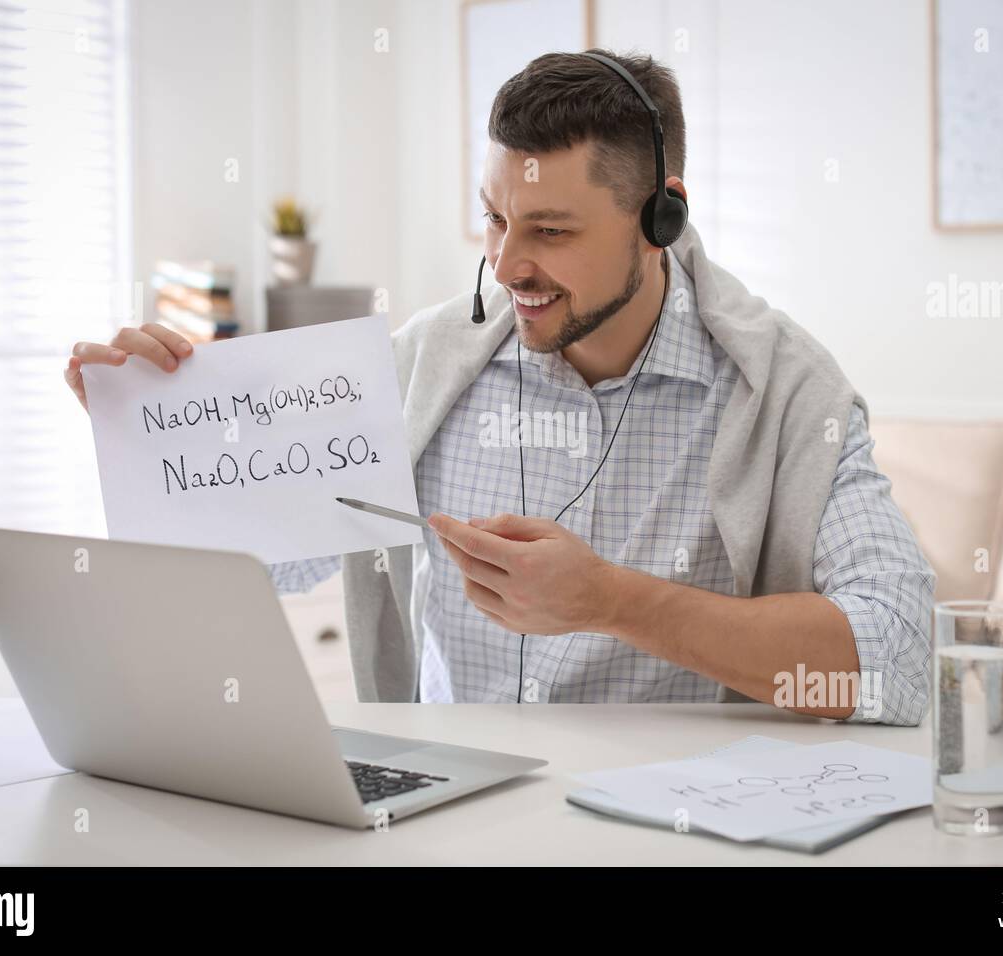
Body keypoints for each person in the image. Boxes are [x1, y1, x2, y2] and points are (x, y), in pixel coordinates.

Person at [66, 49, 935, 722]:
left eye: (551, 230)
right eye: (493, 216)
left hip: (673, 829)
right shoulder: (422, 366)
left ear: (660, 218)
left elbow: (899, 657)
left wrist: (614, 602)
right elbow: (269, 566)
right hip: (451, 814)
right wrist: (154, 437)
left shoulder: (788, 394)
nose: (506, 263)